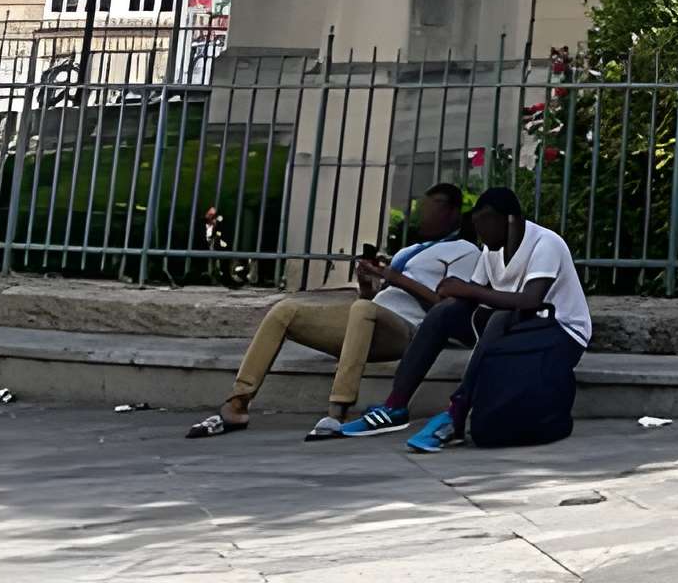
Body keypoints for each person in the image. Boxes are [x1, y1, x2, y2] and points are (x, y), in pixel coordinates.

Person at [186, 182, 475, 440]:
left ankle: (337, 411)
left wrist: (397, 279)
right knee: (285, 310)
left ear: (452, 213)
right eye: (421, 207)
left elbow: (446, 309)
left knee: (362, 310)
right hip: (369, 318)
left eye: (430, 209)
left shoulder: (465, 251)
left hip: (407, 331)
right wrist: (367, 281)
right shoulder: (408, 251)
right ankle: (238, 403)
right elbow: (373, 300)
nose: (422, 215)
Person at [337, 186, 591, 449]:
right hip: (519, 330)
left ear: (510, 220)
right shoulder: (492, 250)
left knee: (499, 318)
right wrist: (451, 290)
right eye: (477, 226)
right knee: (444, 313)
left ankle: (457, 412)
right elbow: (471, 297)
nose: (479, 234)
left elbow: (531, 300)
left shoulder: (545, 243)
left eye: (485, 226)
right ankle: (395, 406)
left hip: (561, 333)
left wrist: (467, 288)